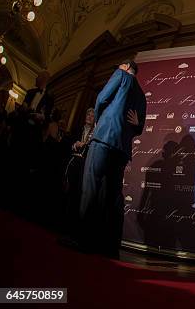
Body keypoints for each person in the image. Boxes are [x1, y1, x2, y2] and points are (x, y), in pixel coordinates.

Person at [78, 59, 146, 259]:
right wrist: (133, 125)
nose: (117, 69)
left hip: (104, 138)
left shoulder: (121, 75)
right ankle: (109, 245)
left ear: (125, 67)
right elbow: (139, 127)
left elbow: (101, 98)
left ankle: (84, 239)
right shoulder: (141, 95)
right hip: (122, 148)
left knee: (91, 188)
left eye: (119, 66)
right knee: (113, 196)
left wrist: (99, 120)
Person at [63, 107, 94, 234]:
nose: (89, 117)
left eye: (92, 115)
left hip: (84, 167)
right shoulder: (77, 129)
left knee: (79, 193)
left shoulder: (95, 133)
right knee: (68, 190)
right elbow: (67, 144)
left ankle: (73, 224)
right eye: (88, 114)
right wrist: (74, 144)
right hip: (72, 164)